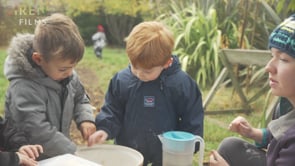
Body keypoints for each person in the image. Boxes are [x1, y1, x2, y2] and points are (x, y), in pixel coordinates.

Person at [88, 21, 204, 166]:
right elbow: (113, 110)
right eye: (133, 66)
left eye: (147, 71)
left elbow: (192, 119)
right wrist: (104, 129)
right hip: (129, 154)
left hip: (166, 157)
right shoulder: (122, 80)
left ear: (167, 63)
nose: (138, 74)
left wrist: (186, 146)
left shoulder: (181, 84)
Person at [3, 13, 96, 160]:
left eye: (73, 66)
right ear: (38, 59)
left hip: (59, 153)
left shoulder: (66, 74)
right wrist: (73, 152)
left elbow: (80, 98)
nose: (71, 73)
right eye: (63, 69)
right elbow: (36, 131)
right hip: (32, 158)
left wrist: (85, 118)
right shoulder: (24, 87)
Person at [209, 14, 295, 166]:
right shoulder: (287, 105)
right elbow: (283, 131)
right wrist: (252, 133)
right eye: (272, 56)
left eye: (283, 59)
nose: (269, 67)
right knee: (231, 147)